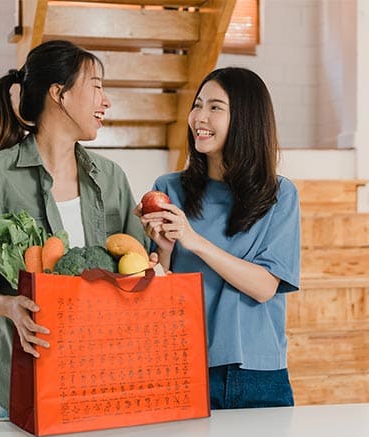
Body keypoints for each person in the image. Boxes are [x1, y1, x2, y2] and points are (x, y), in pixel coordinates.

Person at [0, 40, 148, 420]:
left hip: (101, 381)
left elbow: (139, 273)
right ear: (58, 94)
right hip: (22, 387)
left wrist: (162, 246)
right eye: (96, 86)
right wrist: (8, 305)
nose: (106, 101)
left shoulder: (110, 179)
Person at [138, 67, 300, 409]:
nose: (200, 116)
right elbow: (157, 292)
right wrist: (164, 252)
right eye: (198, 105)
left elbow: (264, 286)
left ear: (245, 119)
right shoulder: (168, 189)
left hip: (258, 372)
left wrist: (194, 241)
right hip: (183, 364)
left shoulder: (279, 195)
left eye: (215, 107)